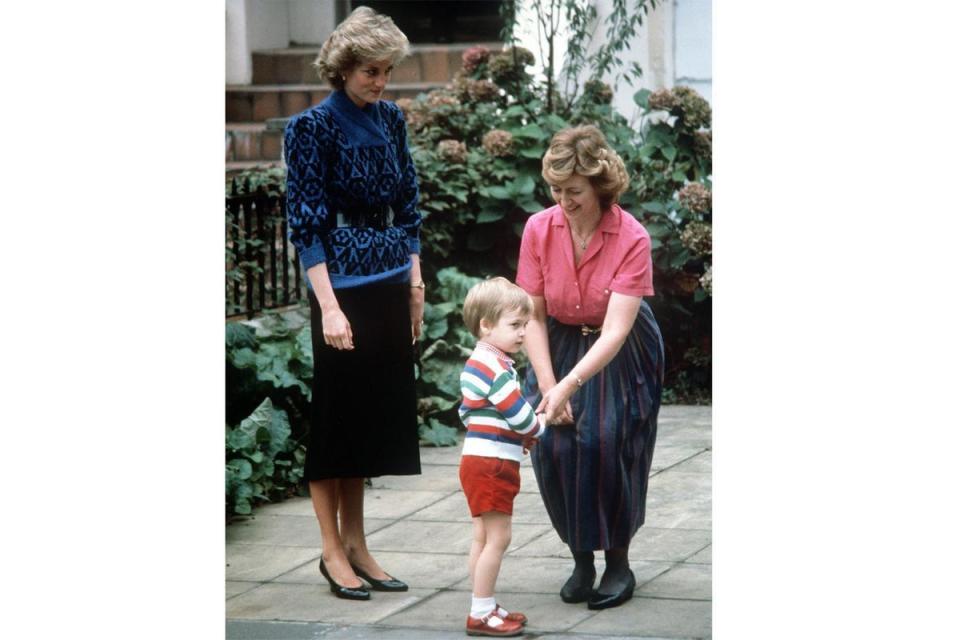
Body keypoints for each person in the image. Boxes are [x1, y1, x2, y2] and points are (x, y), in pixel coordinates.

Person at [283, 7, 424, 601]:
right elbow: (305, 223)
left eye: (387, 71)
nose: (380, 82)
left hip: (392, 284)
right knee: (338, 426)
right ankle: (332, 551)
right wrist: (330, 306)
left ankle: (360, 544)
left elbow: (411, 204)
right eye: (371, 70)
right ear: (342, 69)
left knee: (371, 425)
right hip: (340, 292)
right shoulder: (310, 128)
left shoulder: (391, 120)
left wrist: (415, 285)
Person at [516, 125, 665, 610]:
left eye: (574, 191)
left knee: (606, 441)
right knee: (554, 446)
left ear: (599, 185)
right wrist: (546, 385)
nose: (563, 200)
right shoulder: (540, 229)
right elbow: (533, 314)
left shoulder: (631, 237)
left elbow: (616, 331)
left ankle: (618, 562)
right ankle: (581, 559)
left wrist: (570, 386)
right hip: (555, 340)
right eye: (556, 190)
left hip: (617, 349)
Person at [458, 277, 548, 637]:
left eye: (525, 325)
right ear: (486, 325)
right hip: (492, 466)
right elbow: (521, 416)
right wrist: (540, 424)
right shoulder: (495, 369)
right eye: (515, 325)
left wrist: (516, 435)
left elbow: (470, 414)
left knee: (482, 536)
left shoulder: (481, 362)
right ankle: (480, 613)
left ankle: (485, 602)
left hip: (478, 461)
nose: (523, 333)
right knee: (499, 538)